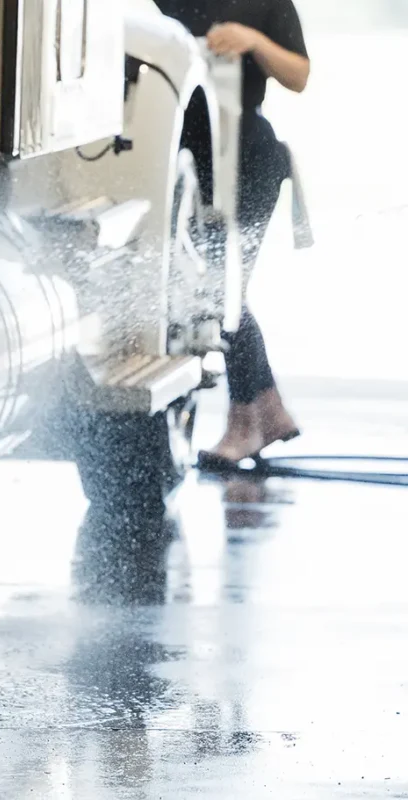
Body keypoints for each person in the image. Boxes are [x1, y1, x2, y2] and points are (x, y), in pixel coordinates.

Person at [156, 0, 311, 470]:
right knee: (208, 293)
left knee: (224, 291)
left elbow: (299, 75)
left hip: (248, 159)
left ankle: (247, 420)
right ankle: (268, 407)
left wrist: (253, 41)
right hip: (181, 161)